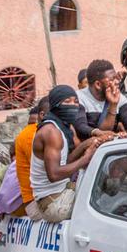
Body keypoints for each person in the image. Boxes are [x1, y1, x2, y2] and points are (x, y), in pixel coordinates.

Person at [30, 86, 103, 222]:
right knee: (104, 200)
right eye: (67, 101)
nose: (73, 105)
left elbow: (65, 162)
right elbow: (54, 174)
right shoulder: (51, 131)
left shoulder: (62, 127)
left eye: (76, 101)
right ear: (56, 105)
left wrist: (87, 144)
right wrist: (85, 158)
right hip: (54, 204)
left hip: (59, 194)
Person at [75, 59, 127, 137]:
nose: (117, 82)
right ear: (98, 84)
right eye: (112, 79)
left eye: (116, 78)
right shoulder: (79, 97)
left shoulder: (119, 97)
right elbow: (80, 126)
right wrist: (96, 132)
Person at [14, 99, 48, 218]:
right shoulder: (32, 133)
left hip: (33, 201)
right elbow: (50, 171)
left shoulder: (38, 132)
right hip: (37, 202)